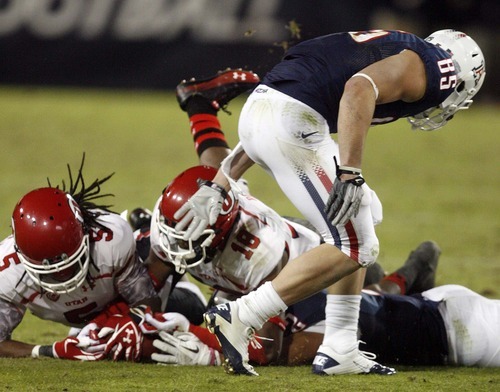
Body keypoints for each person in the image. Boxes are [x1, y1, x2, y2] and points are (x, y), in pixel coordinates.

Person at [171, 29, 486, 376]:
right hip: (290, 120)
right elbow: (359, 89)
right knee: (357, 245)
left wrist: (221, 182)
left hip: (262, 111)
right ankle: (243, 315)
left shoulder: (399, 47)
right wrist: (349, 172)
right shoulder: (440, 67)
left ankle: (340, 346)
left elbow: (277, 104)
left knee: (365, 211)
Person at [154, 240, 500, 368]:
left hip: (457, 326)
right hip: (443, 317)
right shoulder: (260, 290)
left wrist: (217, 354)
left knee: (363, 295)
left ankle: (408, 275)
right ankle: (410, 274)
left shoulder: (270, 293)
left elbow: (284, 352)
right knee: (366, 297)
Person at [0, 155, 162, 361]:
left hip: (118, 297)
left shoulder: (110, 239)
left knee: (185, 309)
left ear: (85, 235)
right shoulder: (7, 272)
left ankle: (145, 232)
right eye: (50, 271)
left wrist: (124, 326)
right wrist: (51, 351)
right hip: (88, 318)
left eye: (70, 264)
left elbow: (147, 302)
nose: (61, 274)